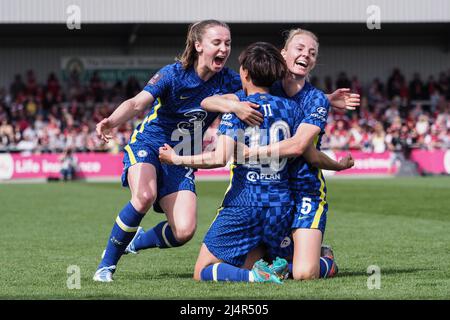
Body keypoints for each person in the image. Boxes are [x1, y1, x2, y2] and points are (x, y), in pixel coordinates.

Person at [158, 42, 354, 283]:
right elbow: (310, 153)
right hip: (282, 207)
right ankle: (307, 262)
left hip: (244, 204)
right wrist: (339, 165)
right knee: (295, 268)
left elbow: (218, 157)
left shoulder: (238, 107)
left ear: (245, 73)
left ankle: (255, 277)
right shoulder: (293, 109)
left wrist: (176, 158)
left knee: (203, 270)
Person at [93, 20, 263, 282]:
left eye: (227, 43)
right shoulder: (172, 74)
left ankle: (136, 242)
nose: (224, 48)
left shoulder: (228, 79)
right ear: (198, 46)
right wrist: (111, 121)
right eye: (216, 42)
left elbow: (267, 91)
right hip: (148, 144)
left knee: (183, 231)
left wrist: (324, 98)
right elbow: (137, 103)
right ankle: (106, 266)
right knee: (144, 196)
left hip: (181, 155)